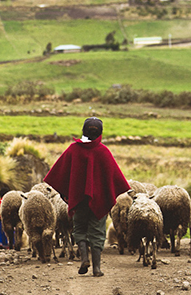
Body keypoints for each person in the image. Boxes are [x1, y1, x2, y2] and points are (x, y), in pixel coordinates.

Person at [44, 117, 130, 277]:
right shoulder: (103, 152)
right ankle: (97, 268)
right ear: (100, 133)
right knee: (97, 233)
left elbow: (60, 174)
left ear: (83, 131)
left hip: (78, 199)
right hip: (99, 201)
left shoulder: (73, 150)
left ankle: (84, 258)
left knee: (79, 230)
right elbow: (115, 178)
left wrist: (66, 195)